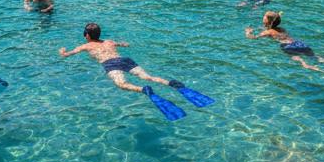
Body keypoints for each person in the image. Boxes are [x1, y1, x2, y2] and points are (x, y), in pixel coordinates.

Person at [59, 23, 212, 119]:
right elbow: (124, 44)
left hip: (110, 64)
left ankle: (143, 90)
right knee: (149, 76)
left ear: (86, 35)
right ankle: (171, 83)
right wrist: (124, 44)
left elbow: (67, 55)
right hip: (125, 60)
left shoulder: (85, 46)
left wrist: (63, 51)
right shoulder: (109, 41)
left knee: (121, 84)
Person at [246, 11, 324, 79]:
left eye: (264, 17)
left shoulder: (268, 32)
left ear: (268, 21)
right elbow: (275, 30)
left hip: (288, 47)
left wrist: (248, 32)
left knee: (303, 63)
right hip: (299, 43)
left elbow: (253, 38)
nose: (262, 18)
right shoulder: (282, 29)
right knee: (317, 57)